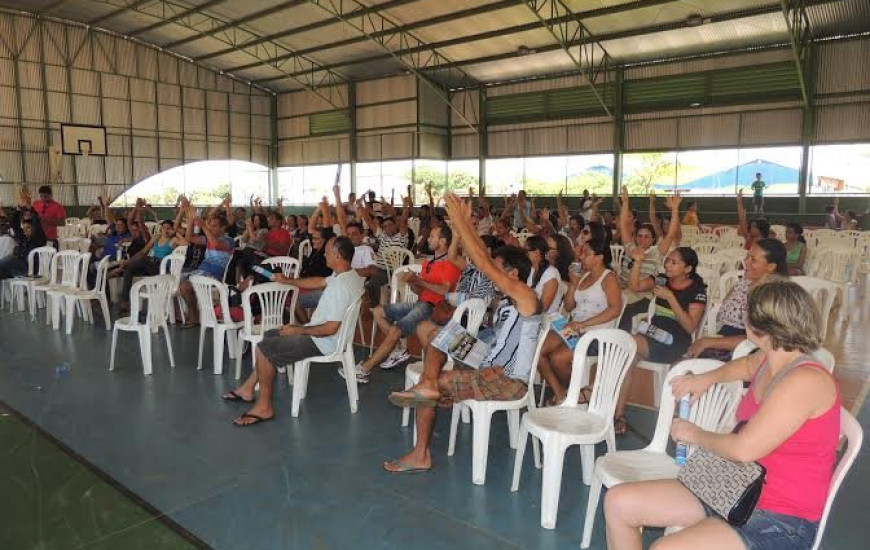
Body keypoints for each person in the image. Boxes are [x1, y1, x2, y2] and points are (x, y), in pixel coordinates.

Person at [605, 279, 839, 550]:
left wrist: (693, 434)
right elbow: (745, 367)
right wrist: (706, 378)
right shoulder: (770, 358)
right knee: (618, 502)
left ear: (759, 326)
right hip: (734, 484)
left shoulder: (804, 380)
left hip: (779, 517)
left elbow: (742, 449)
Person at [383, 193, 541, 474]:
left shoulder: (527, 298)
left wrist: (458, 222)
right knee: (438, 333)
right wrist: (465, 225)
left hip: (506, 379)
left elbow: (483, 263)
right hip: (488, 361)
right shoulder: (510, 298)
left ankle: (421, 452)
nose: (494, 274)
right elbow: (483, 256)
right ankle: (429, 382)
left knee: (430, 386)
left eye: (500, 270)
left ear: (513, 274)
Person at [225, 236, 365, 426]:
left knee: (263, 349)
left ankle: (264, 407)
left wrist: (298, 330)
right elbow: (320, 282)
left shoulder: (340, 287)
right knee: (269, 335)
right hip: (329, 337)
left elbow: (330, 329)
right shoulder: (349, 275)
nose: (323, 255)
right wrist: (288, 281)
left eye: (326, 252)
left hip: (323, 341)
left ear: (337, 256)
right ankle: (249, 388)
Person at [342, 225, 461, 382]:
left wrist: (418, 280)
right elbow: (421, 292)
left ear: (443, 241)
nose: (428, 239)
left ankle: (364, 368)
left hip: (434, 307)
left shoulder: (450, 264)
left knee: (397, 329)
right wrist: (412, 282)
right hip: (422, 303)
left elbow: (443, 290)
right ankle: (399, 349)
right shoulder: (428, 262)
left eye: (432, 236)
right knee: (378, 311)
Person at [617, 246, 707, 435]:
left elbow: (690, 327)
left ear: (688, 269)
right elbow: (635, 287)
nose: (668, 265)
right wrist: (639, 262)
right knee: (625, 360)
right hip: (652, 336)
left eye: (674, 262)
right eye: (668, 260)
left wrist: (671, 298)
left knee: (627, 344)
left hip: (675, 343)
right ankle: (619, 416)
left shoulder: (697, 291)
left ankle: (592, 393)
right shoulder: (661, 279)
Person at [537, 239, 623, 405]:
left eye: (586, 253)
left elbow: (615, 310)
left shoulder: (609, 278)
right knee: (539, 349)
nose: (581, 257)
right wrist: (573, 285)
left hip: (596, 333)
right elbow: (569, 307)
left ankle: (573, 394)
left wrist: (584, 324)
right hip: (574, 327)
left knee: (559, 358)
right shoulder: (583, 277)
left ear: (599, 257)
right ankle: (561, 394)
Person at [687, 239, 788, 361]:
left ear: (771, 267)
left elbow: (758, 341)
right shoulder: (745, 282)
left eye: (753, 260)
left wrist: (708, 342)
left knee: (687, 369)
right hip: (728, 339)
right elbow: (724, 307)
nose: (745, 262)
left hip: (749, 352)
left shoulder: (772, 295)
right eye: (747, 256)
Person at [617, 188, 682, 332]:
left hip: (641, 295)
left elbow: (670, 235)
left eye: (647, 236)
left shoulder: (656, 252)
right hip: (621, 291)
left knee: (623, 316)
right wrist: (625, 202)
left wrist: (675, 209)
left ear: (653, 239)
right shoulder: (630, 249)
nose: (642, 239)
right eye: (639, 235)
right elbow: (624, 226)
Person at [177, 201, 235, 327]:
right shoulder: (208, 239)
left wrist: (203, 225)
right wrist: (192, 220)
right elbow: (189, 238)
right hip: (201, 271)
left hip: (214, 275)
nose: (211, 227)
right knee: (181, 285)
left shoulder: (228, 240)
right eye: (211, 225)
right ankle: (194, 315)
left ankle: (194, 316)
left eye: (214, 226)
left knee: (185, 287)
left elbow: (216, 245)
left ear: (223, 228)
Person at [115, 219, 182, 312]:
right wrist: (129, 261)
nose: (165, 231)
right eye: (164, 228)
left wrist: (176, 233)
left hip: (161, 266)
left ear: (172, 229)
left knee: (142, 261)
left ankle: (125, 267)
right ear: (161, 228)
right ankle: (125, 302)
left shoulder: (173, 240)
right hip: (150, 264)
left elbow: (186, 243)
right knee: (128, 269)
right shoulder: (156, 237)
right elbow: (143, 251)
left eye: (168, 228)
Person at [0, 188, 47, 279]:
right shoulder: (23, 237)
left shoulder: (39, 239)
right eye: (24, 229)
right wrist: (19, 208)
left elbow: (36, 222)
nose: (25, 231)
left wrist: (30, 207)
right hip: (17, 265)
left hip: (29, 268)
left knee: (6, 262)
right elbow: (14, 224)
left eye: (28, 228)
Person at [525, 235, 565, 314]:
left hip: (544, 319)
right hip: (531, 313)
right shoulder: (533, 269)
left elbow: (543, 308)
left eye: (526, 251)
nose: (524, 254)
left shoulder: (551, 274)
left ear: (537, 253)